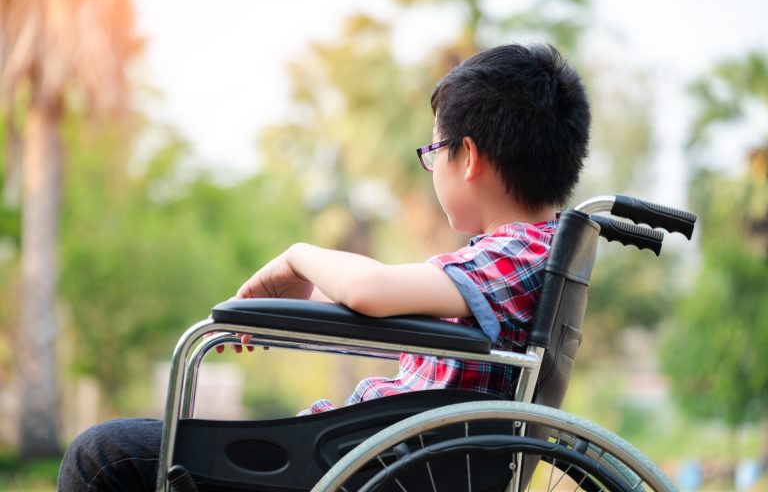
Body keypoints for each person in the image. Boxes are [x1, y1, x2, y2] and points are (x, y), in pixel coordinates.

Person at [57, 42, 590, 491]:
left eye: (433, 150)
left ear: (467, 157)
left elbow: (370, 290)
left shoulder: (518, 253)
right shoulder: (531, 252)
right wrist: (306, 307)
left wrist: (298, 256)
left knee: (103, 457)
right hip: (375, 456)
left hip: (367, 466)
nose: (432, 165)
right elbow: (396, 311)